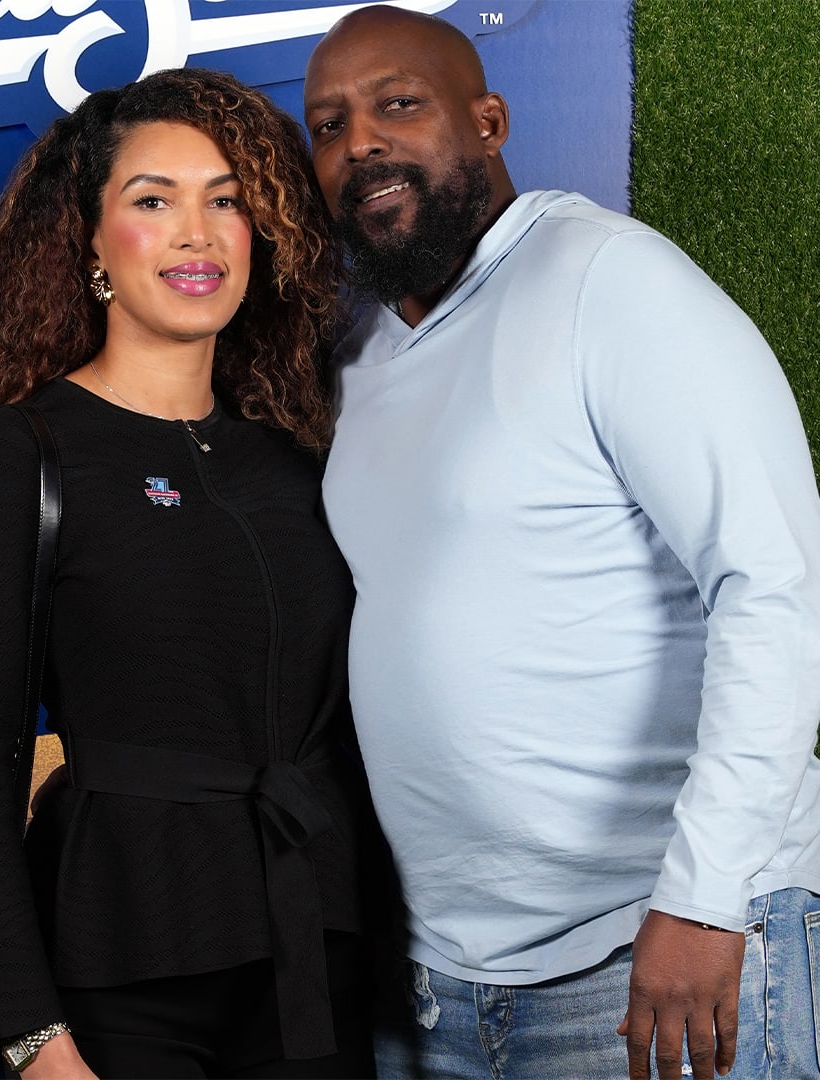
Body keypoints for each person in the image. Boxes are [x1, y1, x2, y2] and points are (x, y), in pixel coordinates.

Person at [303, 7, 820, 1080]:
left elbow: (773, 584)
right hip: (434, 986)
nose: (361, 143)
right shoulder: (356, 358)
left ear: (489, 121)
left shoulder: (610, 281)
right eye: (329, 125)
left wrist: (703, 898)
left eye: (399, 104)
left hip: (653, 949)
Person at [0, 66, 379, 1078]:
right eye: (154, 200)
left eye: (226, 201)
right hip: (121, 982)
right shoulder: (22, 454)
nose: (197, 234)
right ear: (90, 241)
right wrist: (36, 1040)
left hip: (316, 968)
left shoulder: (300, 460)